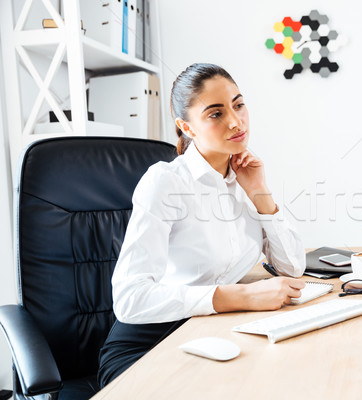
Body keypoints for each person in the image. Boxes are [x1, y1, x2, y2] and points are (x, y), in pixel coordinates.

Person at [98, 63, 306, 388]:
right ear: (187, 126)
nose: (236, 121)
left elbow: (293, 267)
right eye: (215, 113)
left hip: (211, 331)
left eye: (238, 104)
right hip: (148, 345)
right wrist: (241, 297)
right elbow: (129, 300)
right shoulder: (165, 182)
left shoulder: (245, 176)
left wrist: (260, 193)